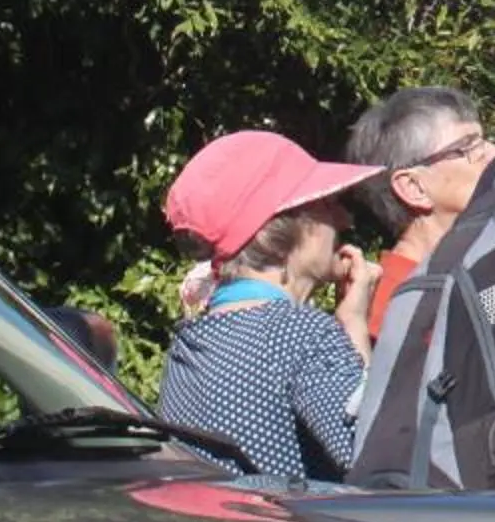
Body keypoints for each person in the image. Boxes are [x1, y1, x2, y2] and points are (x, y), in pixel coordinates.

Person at [156, 129, 382, 481]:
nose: (344, 219)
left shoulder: (191, 339)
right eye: (325, 204)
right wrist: (354, 324)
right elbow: (375, 458)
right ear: (273, 234)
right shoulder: (298, 331)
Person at [344, 86, 495, 339]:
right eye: (469, 147)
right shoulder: (393, 307)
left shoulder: (480, 272)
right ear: (413, 187)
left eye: (484, 140)